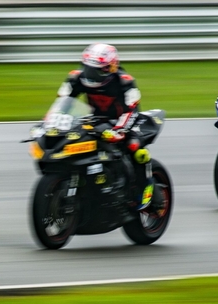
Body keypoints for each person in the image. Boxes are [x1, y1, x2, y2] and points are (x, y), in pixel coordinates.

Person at [57, 43, 152, 208]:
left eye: (97, 70)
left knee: (135, 149)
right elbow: (62, 103)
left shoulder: (125, 81)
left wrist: (119, 130)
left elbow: (132, 110)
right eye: (88, 69)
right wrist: (53, 121)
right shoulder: (75, 77)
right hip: (95, 121)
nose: (91, 74)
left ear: (111, 67)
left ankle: (144, 192)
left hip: (125, 121)